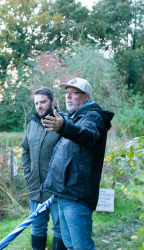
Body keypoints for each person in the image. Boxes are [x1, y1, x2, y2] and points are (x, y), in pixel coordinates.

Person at [41, 78, 114, 249]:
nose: (68, 97)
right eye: (67, 92)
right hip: (65, 192)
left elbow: (88, 136)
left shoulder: (93, 117)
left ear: (86, 96)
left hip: (77, 193)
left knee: (82, 246)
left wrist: (64, 127)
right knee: (71, 245)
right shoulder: (74, 117)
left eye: (74, 92)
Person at [21, 87, 67, 250]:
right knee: (37, 226)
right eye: (36, 103)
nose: (39, 106)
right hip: (35, 186)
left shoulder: (64, 123)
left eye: (43, 102)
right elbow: (25, 149)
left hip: (57, 188)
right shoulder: (32, 124)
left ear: (52, 102)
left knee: (60, 228)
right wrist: (28, 173)